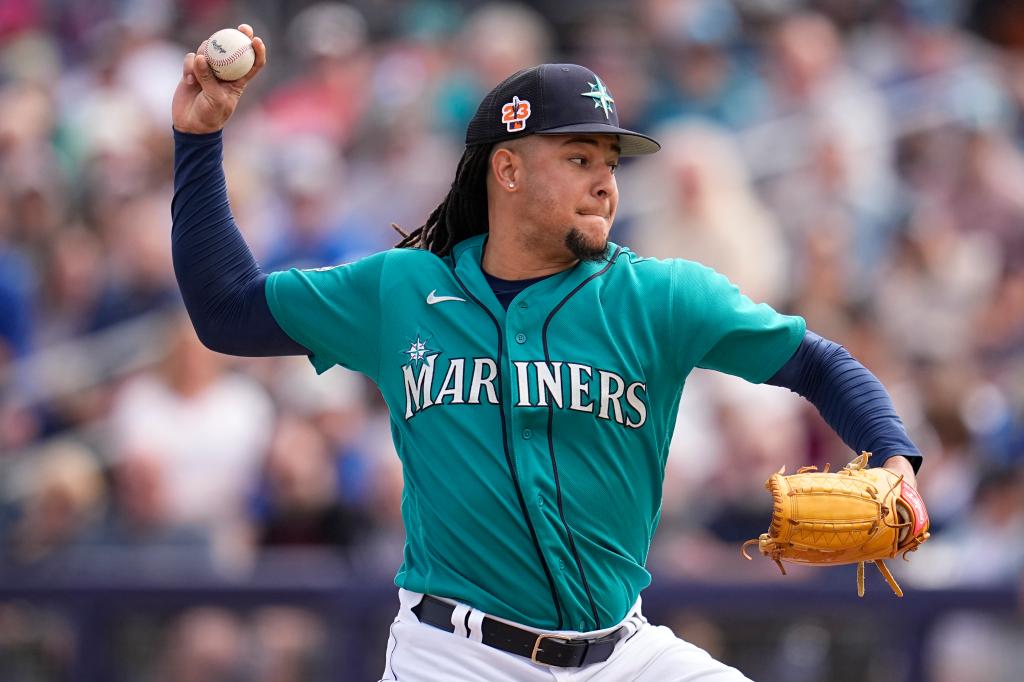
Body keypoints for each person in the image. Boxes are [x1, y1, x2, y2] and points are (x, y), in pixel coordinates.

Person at [171, 25, 925, 681]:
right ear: (508, 168)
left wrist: (894, 456)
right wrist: (200, 139)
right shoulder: (402, 290)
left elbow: (817, 361)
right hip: (454, 656)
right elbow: (227, 312)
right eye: (579, 158)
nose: (605, 182)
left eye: (611, 163)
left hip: (624, 655)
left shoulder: (658, 297)